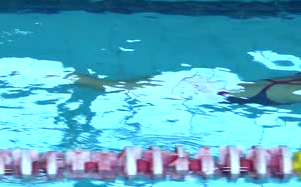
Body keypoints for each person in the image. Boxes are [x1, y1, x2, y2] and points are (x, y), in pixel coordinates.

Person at [66, 71, 301, 106]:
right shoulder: (295, 92)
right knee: (106, 87)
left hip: (200, 79)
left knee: (113, 84)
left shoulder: (295, 79)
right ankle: (52, 76)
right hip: (194, 91)